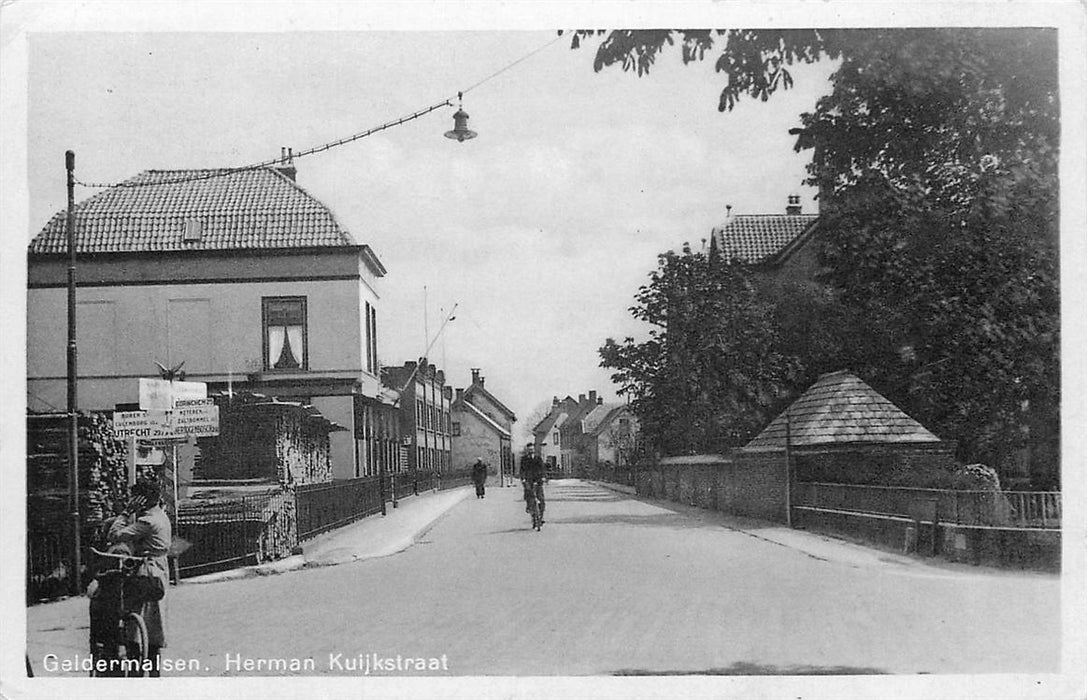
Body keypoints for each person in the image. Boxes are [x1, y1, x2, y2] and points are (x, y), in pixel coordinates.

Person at [104, 479, 172, 676]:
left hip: (145, 572)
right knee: (154, 624)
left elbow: (114, 535)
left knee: (134, 623)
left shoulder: (146, 522)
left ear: (140, 500)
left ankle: (135, 672)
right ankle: (154, 672)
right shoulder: (160, 516)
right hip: (159, 570)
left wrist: (125, 512)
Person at [520, 447, 546, 523]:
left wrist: (543, 477)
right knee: (529, 496)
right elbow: (522, 470)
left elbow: (542, 469)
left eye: (532, 450)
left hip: (538, 480)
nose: (531, 451)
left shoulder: (538, 459)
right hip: (529, 480)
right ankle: (530, 508)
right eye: (529, 450)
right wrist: (523, 479)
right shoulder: (524, 460)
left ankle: (541, 516)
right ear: (527, 451)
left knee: (541, 498)